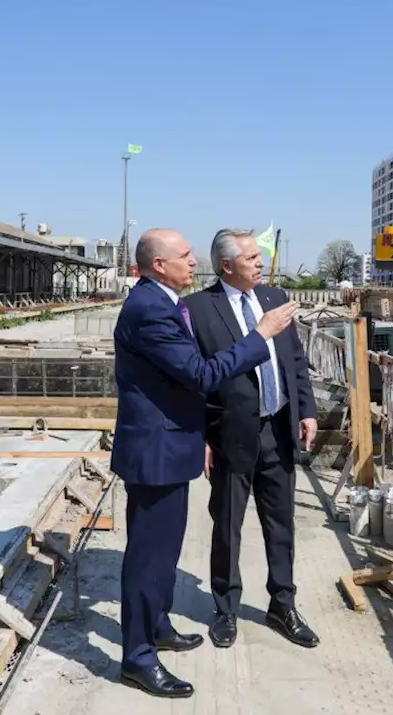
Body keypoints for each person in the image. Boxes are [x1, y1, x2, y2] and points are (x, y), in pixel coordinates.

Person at [111, 228, 299, 698]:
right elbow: (200, 373)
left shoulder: (164, 302)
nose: (194, 263)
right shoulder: (151, 310)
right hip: (156, 452)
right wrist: (259, 336)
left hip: (172, 448)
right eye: (185, 256)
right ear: (158, 265)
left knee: (165, 553)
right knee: (147, 557)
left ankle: (157, 626)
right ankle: (137, 658)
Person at [183, 227, 319, 650]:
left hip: (277, 429)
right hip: (229, 436)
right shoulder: (198, 310)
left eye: (260, 257)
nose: (261, 263)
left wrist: (307, 410)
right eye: (251, 258)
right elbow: (193, 382)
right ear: (226, 265)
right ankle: (225, 608)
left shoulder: (275, 299)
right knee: (228, 525)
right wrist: (200, 437)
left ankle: (283, 603)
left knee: (281, 524)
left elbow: (295, 360)